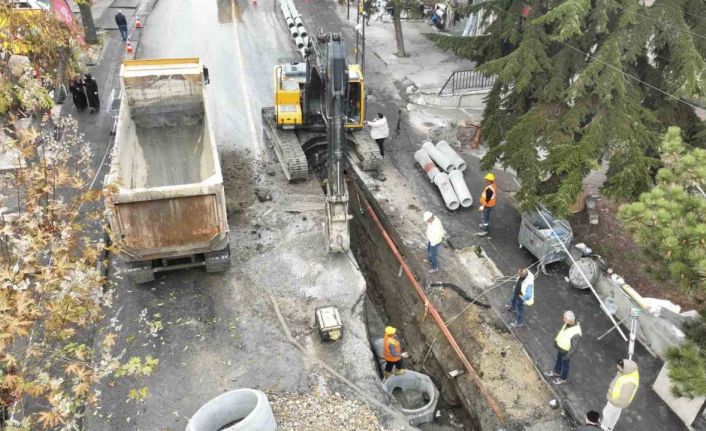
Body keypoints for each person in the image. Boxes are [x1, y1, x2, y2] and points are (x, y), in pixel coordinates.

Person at [601, 359, 639, 431]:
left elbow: (624, 398)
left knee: (606, 413)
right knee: (615, 414)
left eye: (620, 368)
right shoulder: (629, 371)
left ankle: (604, 427)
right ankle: (610, 427)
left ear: (624, 368)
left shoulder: (629, 383)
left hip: (616, 402)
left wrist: (612, 400)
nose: (619, 370)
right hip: (618, 402)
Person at [545, 310, 581, 385]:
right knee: (558, 360)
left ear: (570, 320)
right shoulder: (568, 324)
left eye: (565, 319)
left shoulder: (576, 332)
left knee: (565, 366)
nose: (563, 320)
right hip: (561, 349)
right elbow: (562, 333)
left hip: (566, 352)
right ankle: (557, 372)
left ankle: (563, 378)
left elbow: (574, 348)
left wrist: (567, 356)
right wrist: (556, 341)